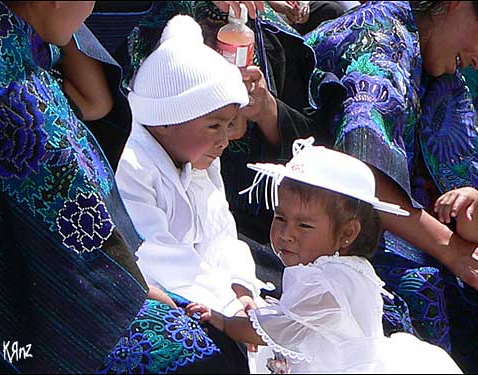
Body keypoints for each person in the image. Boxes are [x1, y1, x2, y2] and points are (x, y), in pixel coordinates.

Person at [0, 2, 248, 373]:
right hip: (18, 326)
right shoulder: (13, 90)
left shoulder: (22, 49)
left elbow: (97, 101)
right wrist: (135, 288)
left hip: (73, 277)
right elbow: (77, 238)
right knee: (207, 356)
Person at [304, 1, 478, 372]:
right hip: (323, 217)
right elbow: (362, 170)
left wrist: (472, 223)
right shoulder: (379, 39)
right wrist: (455, 253)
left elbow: (466, 185)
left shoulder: (444, 76)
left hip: (410, 232)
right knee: (424, 290)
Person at [185, 138, 461, 373]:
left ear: (348, 233)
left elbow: (280, 329)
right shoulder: (343, 266)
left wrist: (225, 322)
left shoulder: (326, 280)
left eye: (304, 225)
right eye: (280, 218)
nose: (286, 234)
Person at [115, 15, 270, 320]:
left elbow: (221, 234)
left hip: (208, 295)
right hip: (162, 296)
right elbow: (156, 253)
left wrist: (242, 289)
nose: (225, 140)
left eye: (227, 126)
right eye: (214, 126)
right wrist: (226, 308)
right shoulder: (131, 166)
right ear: (166, 121)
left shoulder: (199, 160)